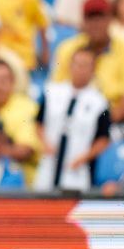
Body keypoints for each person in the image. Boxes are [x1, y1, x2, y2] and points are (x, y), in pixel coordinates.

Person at [50, 0, 124, 132]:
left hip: (112, 122)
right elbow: (57, 91)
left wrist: (97, 127)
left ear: (110, 19)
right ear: (83, 21)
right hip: (73, 120)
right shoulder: (67, 49)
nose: (96, 23)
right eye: (91, 18)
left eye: (101, 17)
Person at [34, 48, 111, 192]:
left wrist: (84, 158)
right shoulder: (52, 92)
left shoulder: (99, 102)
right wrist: (45, 143)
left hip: (76, 169)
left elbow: (104, 138)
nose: (81, 70)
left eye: (86, 65)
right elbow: (38, 122)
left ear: (94, 70)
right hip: (49, 163)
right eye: (78, 64)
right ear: (70, 65)